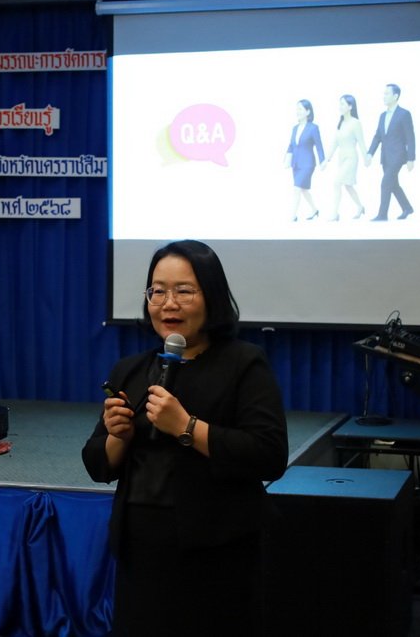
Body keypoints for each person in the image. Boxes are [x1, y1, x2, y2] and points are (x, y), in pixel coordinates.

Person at [82, 240, 288, 636]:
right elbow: (97, 465)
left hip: (218, 552)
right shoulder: (130, 369)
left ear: (211, 297)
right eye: (157, 291)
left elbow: (268, 454)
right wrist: (117, 436)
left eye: (184, 291)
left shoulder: (244, 363)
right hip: (140, 551)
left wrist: (186, 427)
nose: (168, 303)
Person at [364, 83, 416, 220]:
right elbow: (378, 136)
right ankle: (407, 208)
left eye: (387, 93)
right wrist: (370, 153)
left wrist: (411, 158)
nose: (384, 96)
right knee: (393, 185)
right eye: (384, 93)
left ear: (395, 96)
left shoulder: (404, 114)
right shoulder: (382, 116)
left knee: (385, 183)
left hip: (398, 156)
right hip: (385, 157)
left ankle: (382, 215)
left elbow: (410, 137)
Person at [320, 94, 367, 220]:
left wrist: (366, 158)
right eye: (339, 104)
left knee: (337, 183)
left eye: (342, 104)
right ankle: (360, 207)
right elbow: (334, 143)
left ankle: (334, 213)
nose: (340, 106)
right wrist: (326, 160)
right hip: (342, 158)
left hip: (351, 157)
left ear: (350, 106)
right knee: (348, 185)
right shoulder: (341, 123)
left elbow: (361, 142)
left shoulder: (356, 123)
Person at [283, 99, 325, 221]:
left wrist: (322, 160)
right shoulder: (295, 128)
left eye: (300, 109)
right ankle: (315, 210)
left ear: (308, 111)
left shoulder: (313, 128)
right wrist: (286, 159)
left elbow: (319, 146)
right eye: (297, 109)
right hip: (296, 164)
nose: (298, 111)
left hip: (307, 164)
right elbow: (291, 145)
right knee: (304, 189)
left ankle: (293, 215)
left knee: (297, 188)